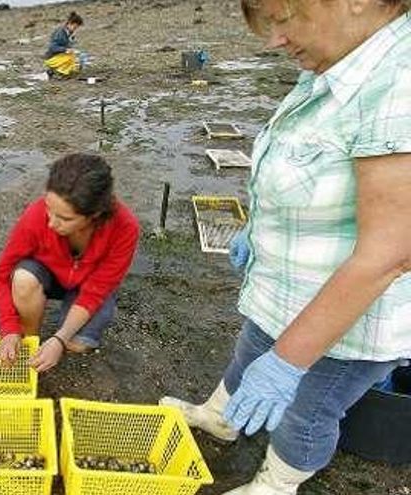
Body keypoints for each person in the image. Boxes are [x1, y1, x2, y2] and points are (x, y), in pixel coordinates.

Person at [160, 0, 411, 493]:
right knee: (247, 355)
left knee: (307, 411)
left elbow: (389, 253)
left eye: (284, 17)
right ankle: (220, 417)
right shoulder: (335, 63)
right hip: (283, 291)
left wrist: (288, 362)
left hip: (350, 323)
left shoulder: (397, 87)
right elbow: (309, 174)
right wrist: (257, 228)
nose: (274, 39)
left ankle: (277, 483)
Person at [0, 154, 140, 373]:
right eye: (49, 208)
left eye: (65, 218)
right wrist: (9, 328)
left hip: (89, 284)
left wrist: (60, 340)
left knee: (77, 344)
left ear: (94, 215)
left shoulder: (125, 228)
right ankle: (31, 339)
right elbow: (1, 275)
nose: (51, 223)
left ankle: (59, 338)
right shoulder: (36, 215)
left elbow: (95, 292)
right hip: (48, 274)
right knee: (23, 280)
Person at [44, 11, 86, 79]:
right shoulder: (60, 33)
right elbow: (52, 47)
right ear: (70, 24)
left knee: (76, 57)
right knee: (69, 57)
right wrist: (65, 50)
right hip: (51, 58)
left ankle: (59, 71)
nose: (75, 29)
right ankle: (56, 71)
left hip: (60, 55)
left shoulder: (69, 33)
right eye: (75, 27)